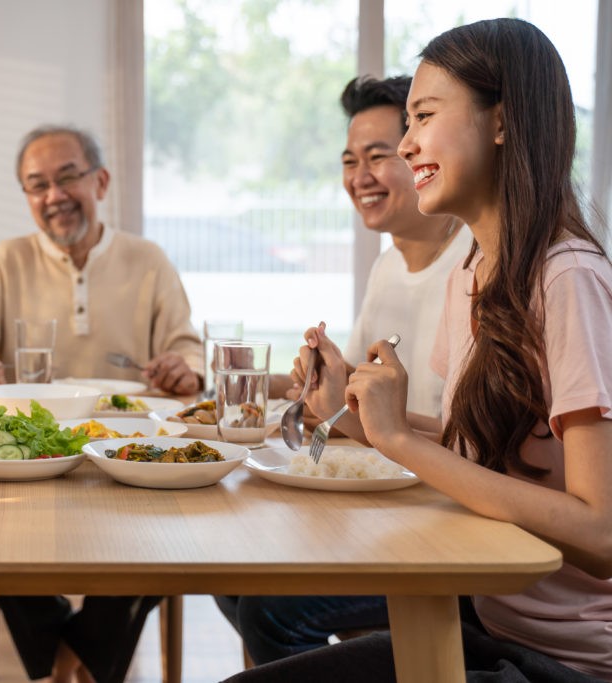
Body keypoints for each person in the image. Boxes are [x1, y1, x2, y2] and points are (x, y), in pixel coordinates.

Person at [226, 18, 612, 682]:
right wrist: (357, 416)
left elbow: (602, 533)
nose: (405, 146)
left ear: (501, 120)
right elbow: (474, 449)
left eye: (423, 117)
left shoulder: (568, 275)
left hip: (567, 660)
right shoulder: (478, 272)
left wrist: (401, 442)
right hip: (490, 622)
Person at [215, 75, 473, 665]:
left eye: (380, 155)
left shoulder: (472, 264)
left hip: (442, 520)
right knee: (232, 568)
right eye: (349, 160)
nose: (360, 176)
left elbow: (456, 434)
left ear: (420, 152)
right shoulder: (386, 268)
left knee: (272, 608)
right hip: (383, 506)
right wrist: (321, 382)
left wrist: (345, 405)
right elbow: (351, 405)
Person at [0, 124, 204, 396]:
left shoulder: (148, 259)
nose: (55, 196)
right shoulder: (7, 260)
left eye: (67, 178)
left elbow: (187, 349)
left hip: (128, 432)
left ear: (101, 182)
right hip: (33, 432)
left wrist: (186, 371)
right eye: (39, 185)